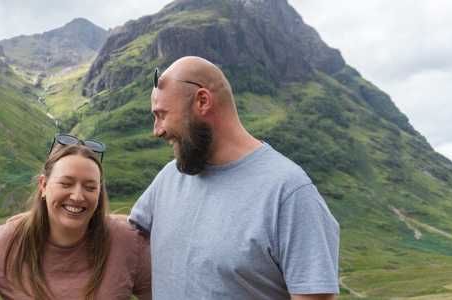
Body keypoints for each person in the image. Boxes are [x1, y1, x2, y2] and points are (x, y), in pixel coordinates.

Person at [129, 56, 340, 299]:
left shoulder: (289, 192)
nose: (157, 131)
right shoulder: (170, 177)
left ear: (202, 101)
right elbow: (126, 235)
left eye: (162, 114)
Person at [0, 135, 151, 300]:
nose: (77, 196)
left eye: (90, 187)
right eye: (66, 184)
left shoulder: (127, 242)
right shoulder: (9, 241)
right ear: (43, 185)